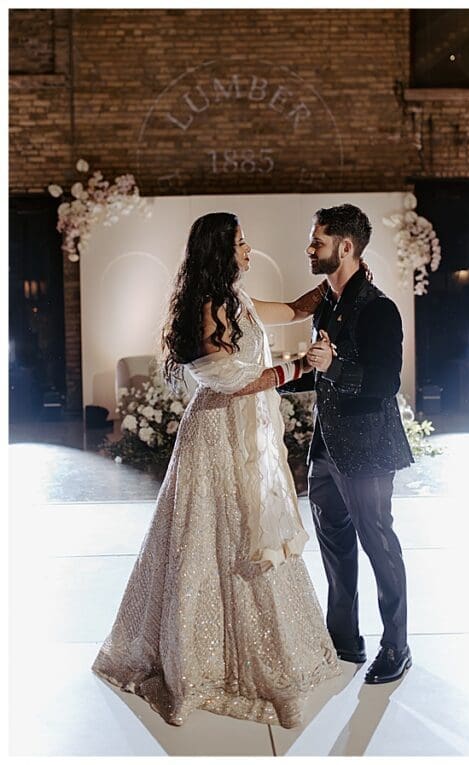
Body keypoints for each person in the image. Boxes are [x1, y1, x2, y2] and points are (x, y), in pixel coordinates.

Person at [93, 212, 343, 728]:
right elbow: (227, 379)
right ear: (219, 251)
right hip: (215, 435)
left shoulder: (240, 300)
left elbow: (299, 308)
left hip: (245, 431)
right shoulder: (206, 307)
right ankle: (201, 663)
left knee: (248, 530)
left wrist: (344, 277)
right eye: (242, 243)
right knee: (213, 537)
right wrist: (298, 369)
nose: (249, 251)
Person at [299, 204, 415, 684]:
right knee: (335, 548)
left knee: (379, 544)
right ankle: (343, 639)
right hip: (325, 451)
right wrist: (268, 380)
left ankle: (397, 646)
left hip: (367, 453)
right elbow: (319, 369)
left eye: (317, 241)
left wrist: (333, 367)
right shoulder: (327, 302)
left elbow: (385, 383)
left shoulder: (380, 309)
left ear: (345, 247)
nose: (310, 248)